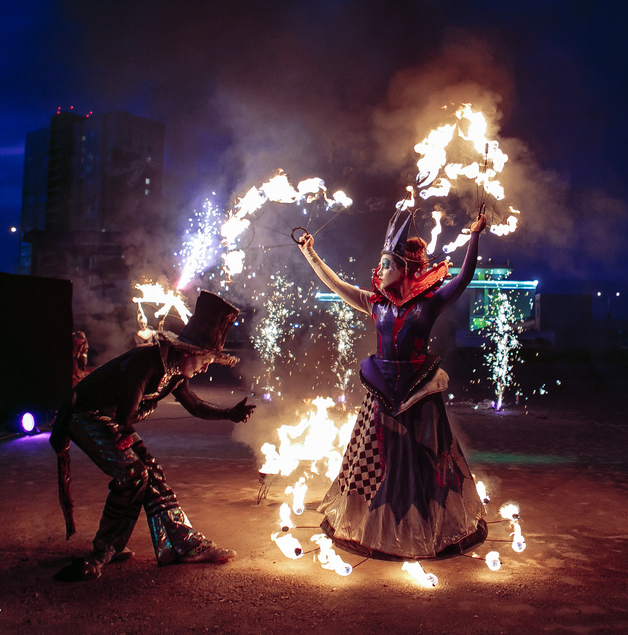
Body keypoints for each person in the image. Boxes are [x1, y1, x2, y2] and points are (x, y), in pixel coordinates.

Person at [297, 208, 488, 560]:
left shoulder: (429, 303)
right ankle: (374, 523)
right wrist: (310, 252)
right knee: (374, 460)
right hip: (381, 392)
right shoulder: (375, 303)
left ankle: (422, 524)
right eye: (381, 264)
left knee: (426, 461)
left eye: (387, 265)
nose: (380, 271)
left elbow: (462, 280)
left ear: (405, 270)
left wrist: (474, 236)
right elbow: (336, 284)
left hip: (420, 392)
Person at [50, 290, 256, 581]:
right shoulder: (148, 363)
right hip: (84, 416)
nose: (206, 367)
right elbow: (126, 415)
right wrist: (149, 407)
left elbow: (194, 405)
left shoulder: (175, 372)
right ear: (188, 353)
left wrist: (228, 413)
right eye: (205, 359)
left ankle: (185, 545)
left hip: (112, 420)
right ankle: (100, 554)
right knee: (134, 476)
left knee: (152, 474)